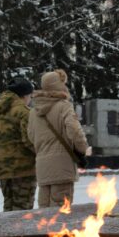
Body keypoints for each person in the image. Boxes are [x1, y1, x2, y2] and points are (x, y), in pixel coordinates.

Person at [27, 70, 89, 208]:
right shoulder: (64, 106)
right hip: (62, 167)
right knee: (60, 213)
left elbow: (31, 136)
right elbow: (75, 131)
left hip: (42, 168)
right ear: (59, 85)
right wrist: (82, 149)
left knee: (43, 215)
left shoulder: (33, 112)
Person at [0, 77, 36, 211]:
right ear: (25, 95)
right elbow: (29, 140)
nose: (30, 99)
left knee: (8, 210)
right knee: (23, 211)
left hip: (2, 168)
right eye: (30, 96)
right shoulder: (23, 112)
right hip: (23, 169)